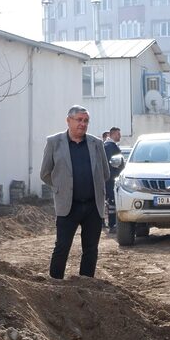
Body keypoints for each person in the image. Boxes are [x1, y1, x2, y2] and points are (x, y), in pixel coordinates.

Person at [40, 105, 110, 279]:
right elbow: (45, 173)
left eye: (86, 121)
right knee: (62, 246)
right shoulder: (54, 142)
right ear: (68, 120)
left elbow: (105, 173)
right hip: (68, 205)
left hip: (93, 206)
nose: (83, 124)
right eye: (79, 120)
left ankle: (86, 285)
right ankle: (55, 284)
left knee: (91, 249)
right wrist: (60, 188)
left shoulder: (96, 144)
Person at [103, 126, 123, 233]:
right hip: (111, 178)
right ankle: (112, 224)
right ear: (113, 134)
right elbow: (112, 163)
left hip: (111, 177)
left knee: (110, 201)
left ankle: (111, 223)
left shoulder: (110, 145)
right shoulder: (109, 146)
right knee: (111, 201)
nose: (120, 136)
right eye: (118, 134)